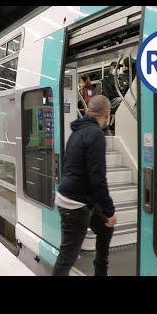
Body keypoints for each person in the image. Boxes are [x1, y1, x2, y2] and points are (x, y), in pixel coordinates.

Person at [52, 95, 117, 276]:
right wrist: (110, 210)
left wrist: (105, 212)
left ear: (88, 110)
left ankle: (100, 272)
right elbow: (98, 177)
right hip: (75, 204)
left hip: (79, 197)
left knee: (105, 227)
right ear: (107, 113)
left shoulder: (77, 132)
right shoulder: (96, 134)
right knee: (68, 256)